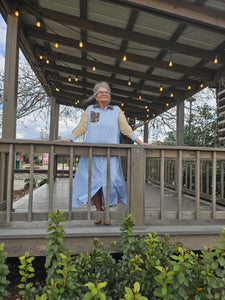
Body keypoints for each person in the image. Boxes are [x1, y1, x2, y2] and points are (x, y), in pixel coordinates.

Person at [61, 81, 147, 225]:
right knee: (93, 182)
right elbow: (81, 127)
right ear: (96, 96)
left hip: (111, 153)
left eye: (107, 92)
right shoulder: (90, 110)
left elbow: (125, 128)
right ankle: (99, 212)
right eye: (101, 92)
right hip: (92, 153)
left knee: (111, 181)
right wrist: (70, 138)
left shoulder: (116, 110)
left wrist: (140, 142)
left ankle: (106, 211)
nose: (104, 94)